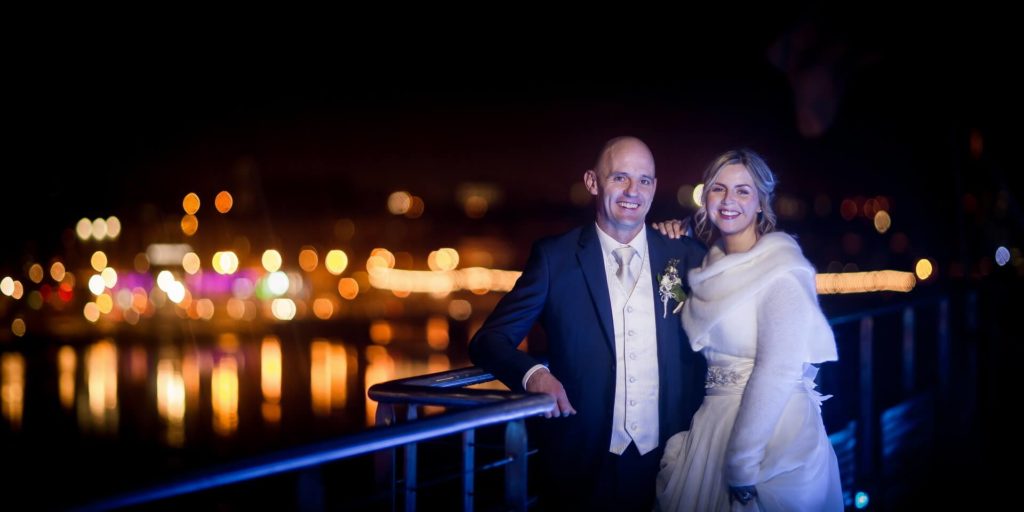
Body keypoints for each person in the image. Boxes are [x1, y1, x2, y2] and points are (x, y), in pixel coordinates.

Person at [469, 136, 707, 511]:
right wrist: (534, 375)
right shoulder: (555, 258)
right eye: (620, 178)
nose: (633, 191)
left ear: (655, 187)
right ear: (593, 183)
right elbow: (490, 340)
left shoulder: (687, 256)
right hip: (582, 465)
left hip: (673, 461)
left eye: (644, 180)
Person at [654, 149, 843, 511]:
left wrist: (742, 464)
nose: (729, 201)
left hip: (769, 438)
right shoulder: (709, 265)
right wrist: (672, 235)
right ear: (705, 195)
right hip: (711, 427)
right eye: (718, 189)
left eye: (743, 191)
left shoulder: (782, 269)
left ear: (760, 202)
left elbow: (779, 368)